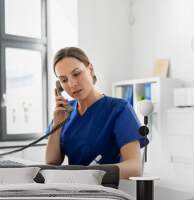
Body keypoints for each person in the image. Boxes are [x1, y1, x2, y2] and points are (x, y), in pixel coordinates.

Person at [45, 47, 147, 179]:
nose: (72, 84)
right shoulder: (64, 113)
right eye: (64, 80)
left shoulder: (119, 109)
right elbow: (52, 162)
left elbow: (134, 168)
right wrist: (56, 125)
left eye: (76, 74)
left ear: (90, 69)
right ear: (59, 86)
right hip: (73, 191)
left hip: (108, 192)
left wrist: (91, 174)